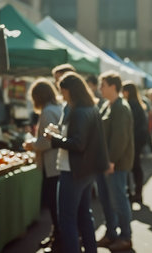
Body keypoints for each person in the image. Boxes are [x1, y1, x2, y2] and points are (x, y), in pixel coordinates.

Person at [45, 72, 109, 252]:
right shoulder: (90, 108)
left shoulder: (79, 111)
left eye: (63, 91)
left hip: (73, 170)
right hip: (85, 171)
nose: (62, 95)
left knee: (67, 219)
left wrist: (53, 139)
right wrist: (57, 134)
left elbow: (78, 144)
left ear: (70, 91)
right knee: (84, 216)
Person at [22, 78, 63, 250]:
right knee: (56, 205)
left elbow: (47, 142)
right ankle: (56, 237)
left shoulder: (47, 111)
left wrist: (32, 145)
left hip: (52, 164)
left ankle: (58, 240)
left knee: (54, 205)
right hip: (57, 163)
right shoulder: (57, 108)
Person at [96, 71, 134, 251]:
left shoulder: (121, 107)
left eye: (102, 85)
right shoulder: (107, 105)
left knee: (118, 200)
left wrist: (110, 161)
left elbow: (120, 138)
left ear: (113, 86)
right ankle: (111, 233)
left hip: (116, 165)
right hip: (105, 163)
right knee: (106, 200)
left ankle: (125, 237)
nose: (100, 89)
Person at [122, 81, 148, 203]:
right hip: (138, 140)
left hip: (133, 141)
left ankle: (133, 193)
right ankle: (138, 193)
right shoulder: (138, 104)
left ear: (127, 92)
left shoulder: (130, 105)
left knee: (131, 167)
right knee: (136, 167)